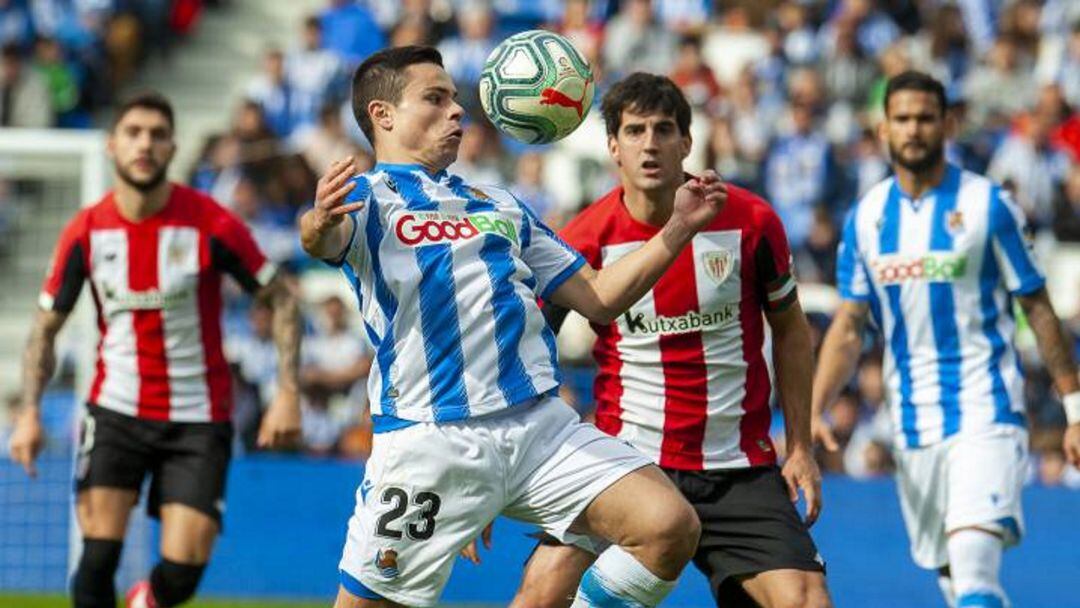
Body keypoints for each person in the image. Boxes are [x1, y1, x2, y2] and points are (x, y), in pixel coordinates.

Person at [300, 45, 727, 608]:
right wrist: (318, 222)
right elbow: (322, 240)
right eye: (436, 98)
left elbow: (600, 297)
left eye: (455, 98)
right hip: (433, 441)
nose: (457, 110)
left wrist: (677, 229)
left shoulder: (498, 202)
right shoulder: (365, 199)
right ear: (383, 115)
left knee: (668, 526)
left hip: (539, 428)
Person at [507, 73, 832, 608]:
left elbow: (792, 329)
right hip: (624, 461)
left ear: (687, 141)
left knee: (805, 601)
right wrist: (496, 472)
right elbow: (527, 350)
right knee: (542, 592)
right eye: (634, 131)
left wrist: (799, 447)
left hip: (737, 468)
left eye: (663, 130)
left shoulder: (751, 221)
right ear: (613, 146)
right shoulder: (585, 238)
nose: (650, 144)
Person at [6, 91, 303, 608]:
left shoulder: (210, 222)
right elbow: (44, 329)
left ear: (172, 148)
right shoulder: (86, 231)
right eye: (134, 133)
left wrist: (287, 391)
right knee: (97, 559)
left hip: (198, 415)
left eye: (157, 135)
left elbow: (280, 298)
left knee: (183, 572)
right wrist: (30, 412)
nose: (145, 144)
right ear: (112, 145)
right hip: (116, 409)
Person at [812, 70, 1080, 608]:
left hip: (986, 410)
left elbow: (1037, 305)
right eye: (902, 119)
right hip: (912, 425)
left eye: (925, 118)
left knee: (973, 569)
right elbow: (849, 324)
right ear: (883, 129)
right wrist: (813, 408)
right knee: (959, 585)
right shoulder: (867, 218)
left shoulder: (988, 205)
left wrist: (1074, 407)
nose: (913, 129)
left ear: (947, 125)